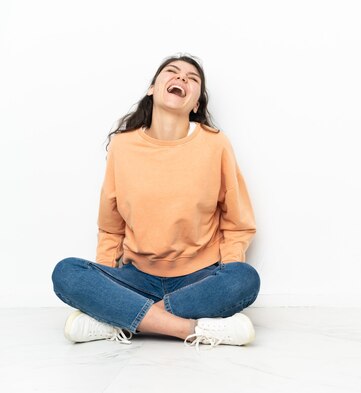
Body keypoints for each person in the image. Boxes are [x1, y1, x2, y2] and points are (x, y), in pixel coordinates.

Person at [51, 53, 260, 349]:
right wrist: (106, 283)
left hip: (198, 279)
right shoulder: (123, 147)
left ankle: (119, 319)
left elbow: (238, 225)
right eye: (172, 72)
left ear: (196, 103)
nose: (181, 78)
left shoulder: (215, 144)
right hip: (136, 278)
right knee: (66, 272)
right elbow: (111, 228)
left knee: (244, 279)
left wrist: (107, 303)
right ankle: (189, 329)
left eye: (192, 78)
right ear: (153, 88)